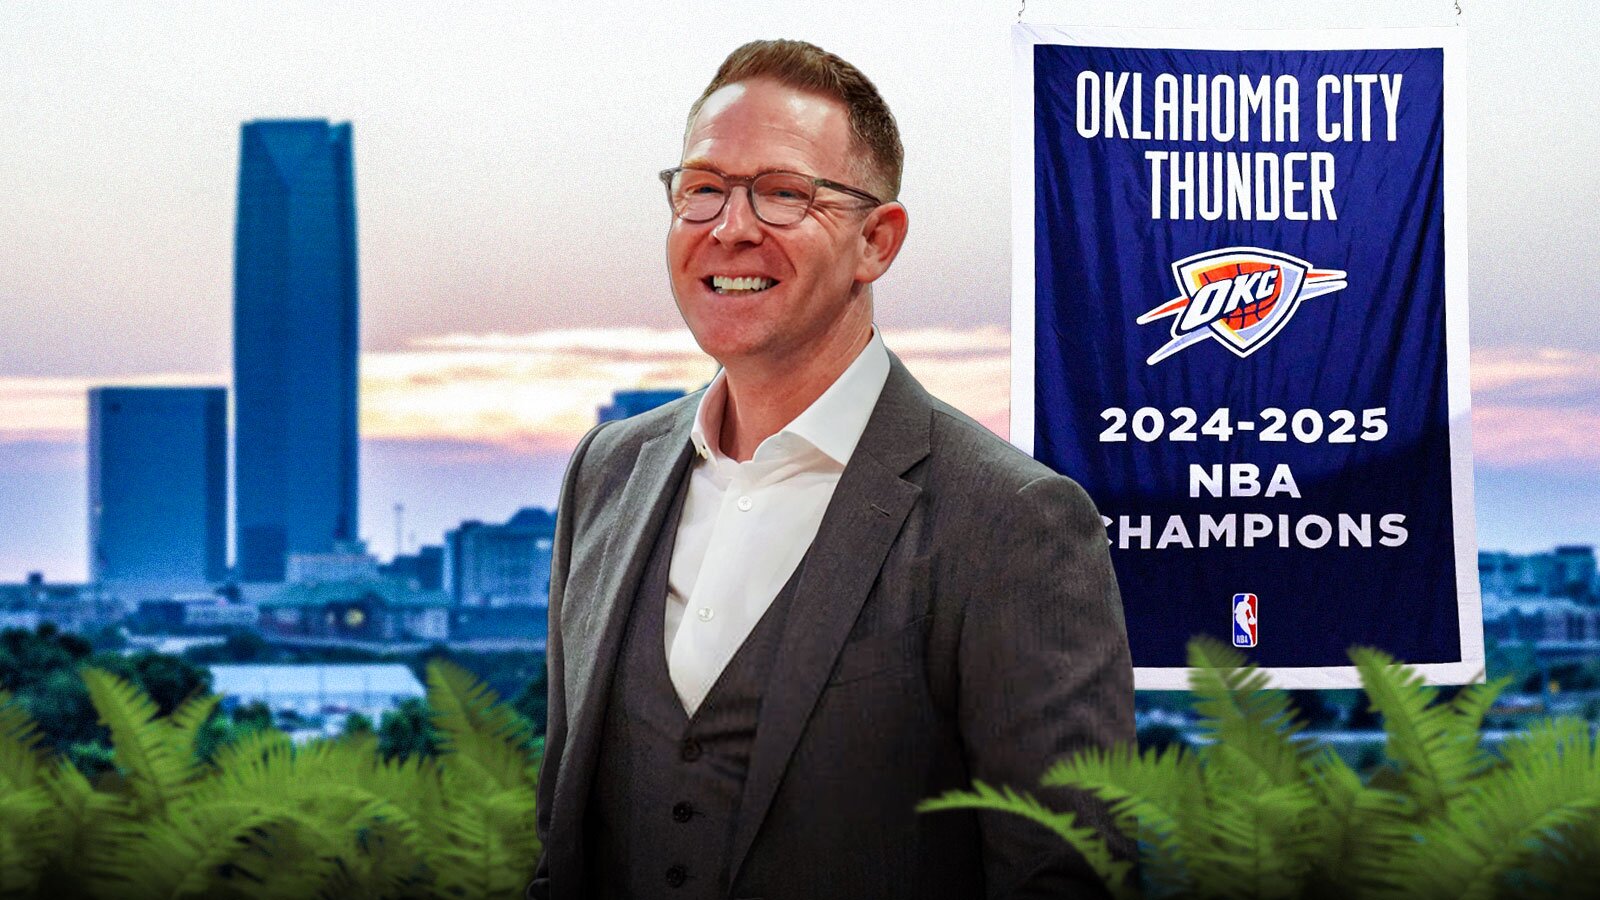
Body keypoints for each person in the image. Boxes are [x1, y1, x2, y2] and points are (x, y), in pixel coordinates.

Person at [530, 39, 1133, 900]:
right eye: (701, 188)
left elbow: (1065, 878)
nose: (729, 228)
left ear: (876, 242)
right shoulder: (605, 473)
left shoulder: (1012, 520)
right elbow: (564, 840)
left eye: (783, 195)